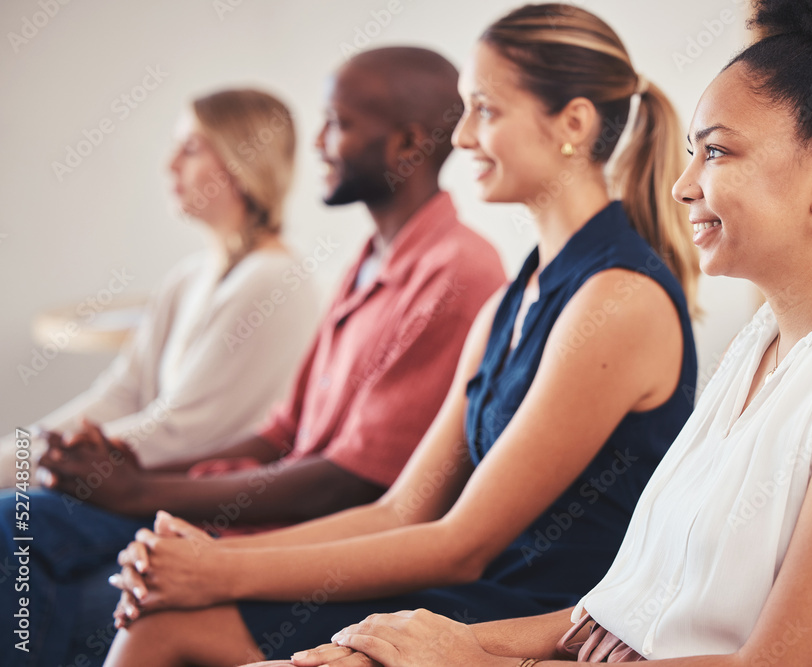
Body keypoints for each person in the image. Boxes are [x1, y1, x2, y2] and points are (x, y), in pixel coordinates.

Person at [277, 1, 812, 666]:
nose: (683, 185)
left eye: (716, 152)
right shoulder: (761, 353)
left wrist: (468, 660)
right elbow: (606, 620)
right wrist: (418, 641)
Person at [103, 5, 701, 666]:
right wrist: (201, 559)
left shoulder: (618, 299)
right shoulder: (512, 299)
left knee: (179, 617)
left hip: (528, 618)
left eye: (486, 110)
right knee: (159, 622)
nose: (464, 136)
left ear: (574, 124)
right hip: (458, 589)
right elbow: (400, 510)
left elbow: (462, 541)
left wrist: (219, 571)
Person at [0, 50, 506, 667]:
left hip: (313, 553)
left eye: (337, 124)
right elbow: (283, 433)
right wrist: (132, 474)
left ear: (406, 143)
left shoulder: (457, 273)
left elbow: (347, 482)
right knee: (15, 525)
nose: (316, 143)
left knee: (30, 562)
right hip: (251, 529)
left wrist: (137, 493)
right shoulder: (367, 260)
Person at [0, 88, 320, 488]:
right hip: (148, 484)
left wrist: (32, 467)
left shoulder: (273, 282)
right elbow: (120, 396)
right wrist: (14, 455)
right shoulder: (188, 277)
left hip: (193, 501)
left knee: (11, 517)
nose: (170, 166)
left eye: (190, 149)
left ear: (243, 161)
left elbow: (176, 436)